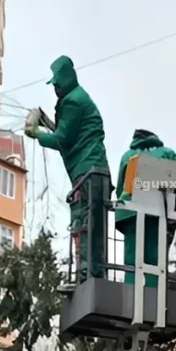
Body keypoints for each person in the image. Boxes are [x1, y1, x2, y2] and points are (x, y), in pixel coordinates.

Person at [26, 56, 110, 281]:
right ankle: (96, 273)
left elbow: (62, 139)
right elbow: (71, 136)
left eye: (56, 83)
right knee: (95, 227)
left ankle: (85, 275)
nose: (54, 88)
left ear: (64, 79)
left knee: (83, 224)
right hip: (97, 171)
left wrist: (36, 133)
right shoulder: (79, 98)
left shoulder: (72, 101)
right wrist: (46, 126)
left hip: (86, 172)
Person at [114, 130, 176, 287]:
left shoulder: (128, 156)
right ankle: (154, 293)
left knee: (132, 260)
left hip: (130, 212)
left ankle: (130, 292)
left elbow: (121, 189)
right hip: (159, 210)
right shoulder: (168, 153)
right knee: (155, 261)